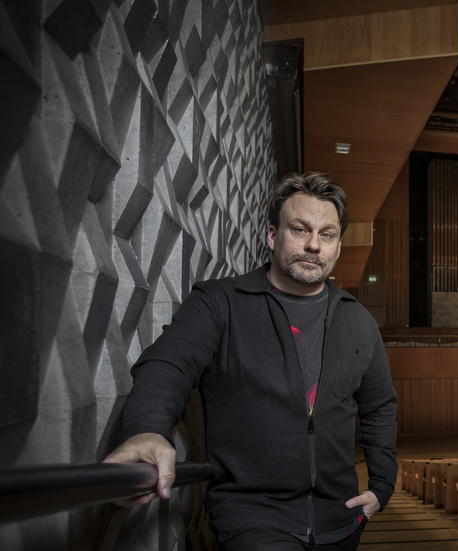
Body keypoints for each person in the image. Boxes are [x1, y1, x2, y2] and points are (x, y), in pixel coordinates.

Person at [104, 172, 398, 550]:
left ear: (337, 247)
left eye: (327, 234)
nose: (313, 245)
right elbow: (168, 365)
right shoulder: (219, 303)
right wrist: (146, 430)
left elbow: (379, 409)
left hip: (340, 523)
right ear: (273, 236)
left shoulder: (358, 320)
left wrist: (382, 485)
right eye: (300, 230)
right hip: (253, 521)